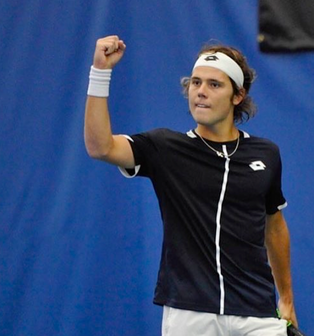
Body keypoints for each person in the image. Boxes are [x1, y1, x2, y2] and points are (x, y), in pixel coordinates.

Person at [84, 35, 297, 335]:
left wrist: (286, 299)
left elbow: (274, 225)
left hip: (256, 312)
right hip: (190, 314)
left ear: (238, 96)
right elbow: (100, 147)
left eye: (214, 84)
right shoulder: (164, 147)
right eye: (195, 83)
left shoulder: (266, 154)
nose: (200, 92)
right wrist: (100, 72)